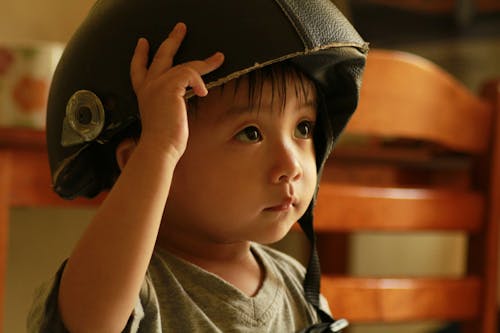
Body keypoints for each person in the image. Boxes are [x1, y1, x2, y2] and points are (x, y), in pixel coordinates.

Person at [28, 1, 368, 332]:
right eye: (250, 133)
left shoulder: (297, 283)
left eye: (303, 128)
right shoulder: (133, 288)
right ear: (137, 163)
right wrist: (158, 146)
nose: (291, 164)